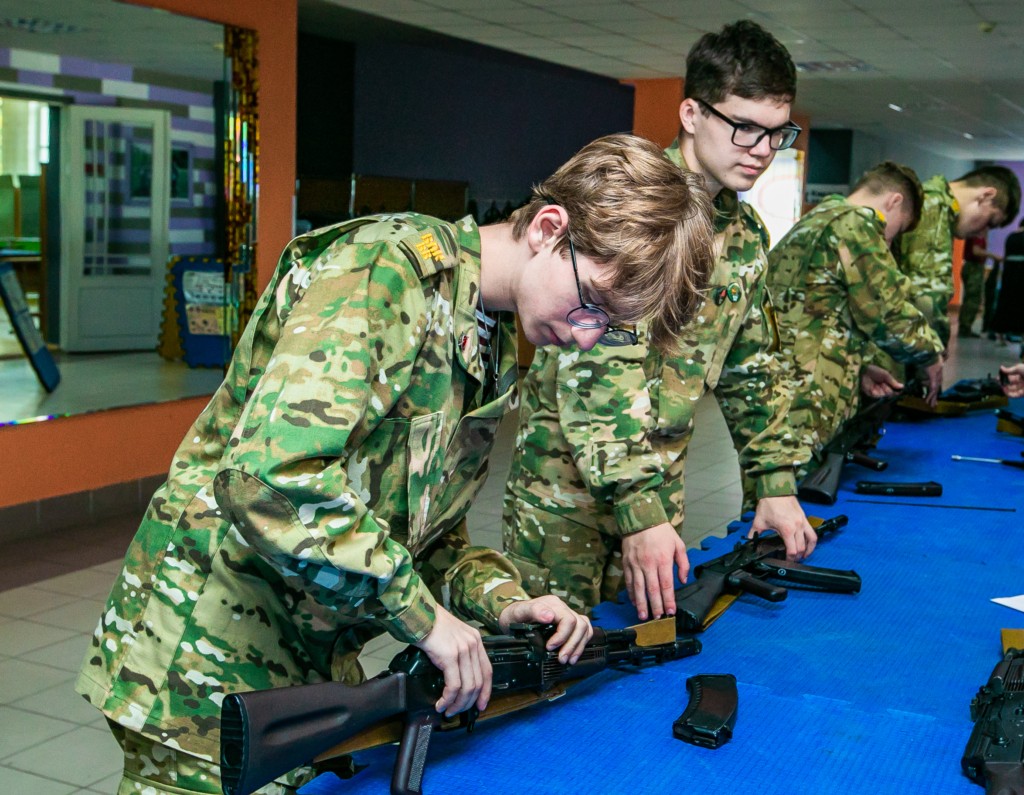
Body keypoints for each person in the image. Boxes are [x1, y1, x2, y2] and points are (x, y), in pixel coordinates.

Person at [75, 133, 716, 795]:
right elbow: (271, 479)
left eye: (607, 327)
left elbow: (426, 535)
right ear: (551, 229)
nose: (585, 336)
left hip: (304, 669)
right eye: (591, 305)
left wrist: (505, 603)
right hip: (204, 664)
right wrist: (421, 616)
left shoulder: (485, 331)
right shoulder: (385, 271)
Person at [503, 20, 816, 625]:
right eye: (744, 127)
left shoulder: (745, 237)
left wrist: (773, 479)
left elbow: (750, 366)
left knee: (640, 664)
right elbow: (595, 369)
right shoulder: (633, 208)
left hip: (655, 488)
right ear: (692, 113)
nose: (762, 150)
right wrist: (639, 506)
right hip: (566, 488)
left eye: (777, 133)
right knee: (547, 664)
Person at [766, 161, 945, 464]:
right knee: (798, 492)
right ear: (894, 201)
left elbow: (811, 315)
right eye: (897, 228)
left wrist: (858, 366)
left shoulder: (814, 221)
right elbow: (890, 315)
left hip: (780, 384)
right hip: (811, 397)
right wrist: (931, 355)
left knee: (774, 487)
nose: (889, 241)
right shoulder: (856, 226)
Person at [895, 165, 1020, 347]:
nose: (981, 233)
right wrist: (931, 353)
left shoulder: (930, 202)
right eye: (989, 222)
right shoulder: (934, 209)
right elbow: (926, 297)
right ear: (986, 196)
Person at [958, 233, 1003, 338]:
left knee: (971, 298)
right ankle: (965, 327)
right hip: (973, 267)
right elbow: (976, 251)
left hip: (972, 266)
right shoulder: (977, 234)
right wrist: (993, 255)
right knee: (973, 298)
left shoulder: (977, 233)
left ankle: (966, 326)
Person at [991, 217, 1024, 347]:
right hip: (1022, 276)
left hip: (1008, 275)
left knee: (1005, 303)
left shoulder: (1010, 237)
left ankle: (1000, 336)